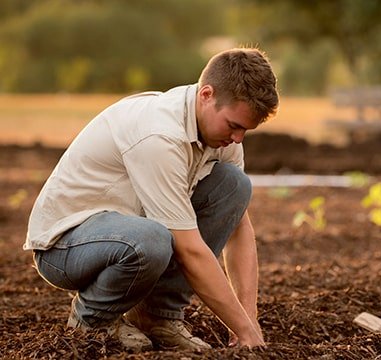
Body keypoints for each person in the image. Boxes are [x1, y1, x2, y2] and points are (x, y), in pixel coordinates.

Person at [24, 48, 279, 352]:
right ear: (207, 95)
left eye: (245, 130)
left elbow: (238, 228)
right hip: (64, 245)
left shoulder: (221, 138)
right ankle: (93, 320)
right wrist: (241, 327)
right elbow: (189, 251)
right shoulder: (160, 135)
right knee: (152, 240)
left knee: (234, 186)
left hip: (128, 231)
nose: (238, 139)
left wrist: (249, 321)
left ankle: (157, 316)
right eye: (234, 125)